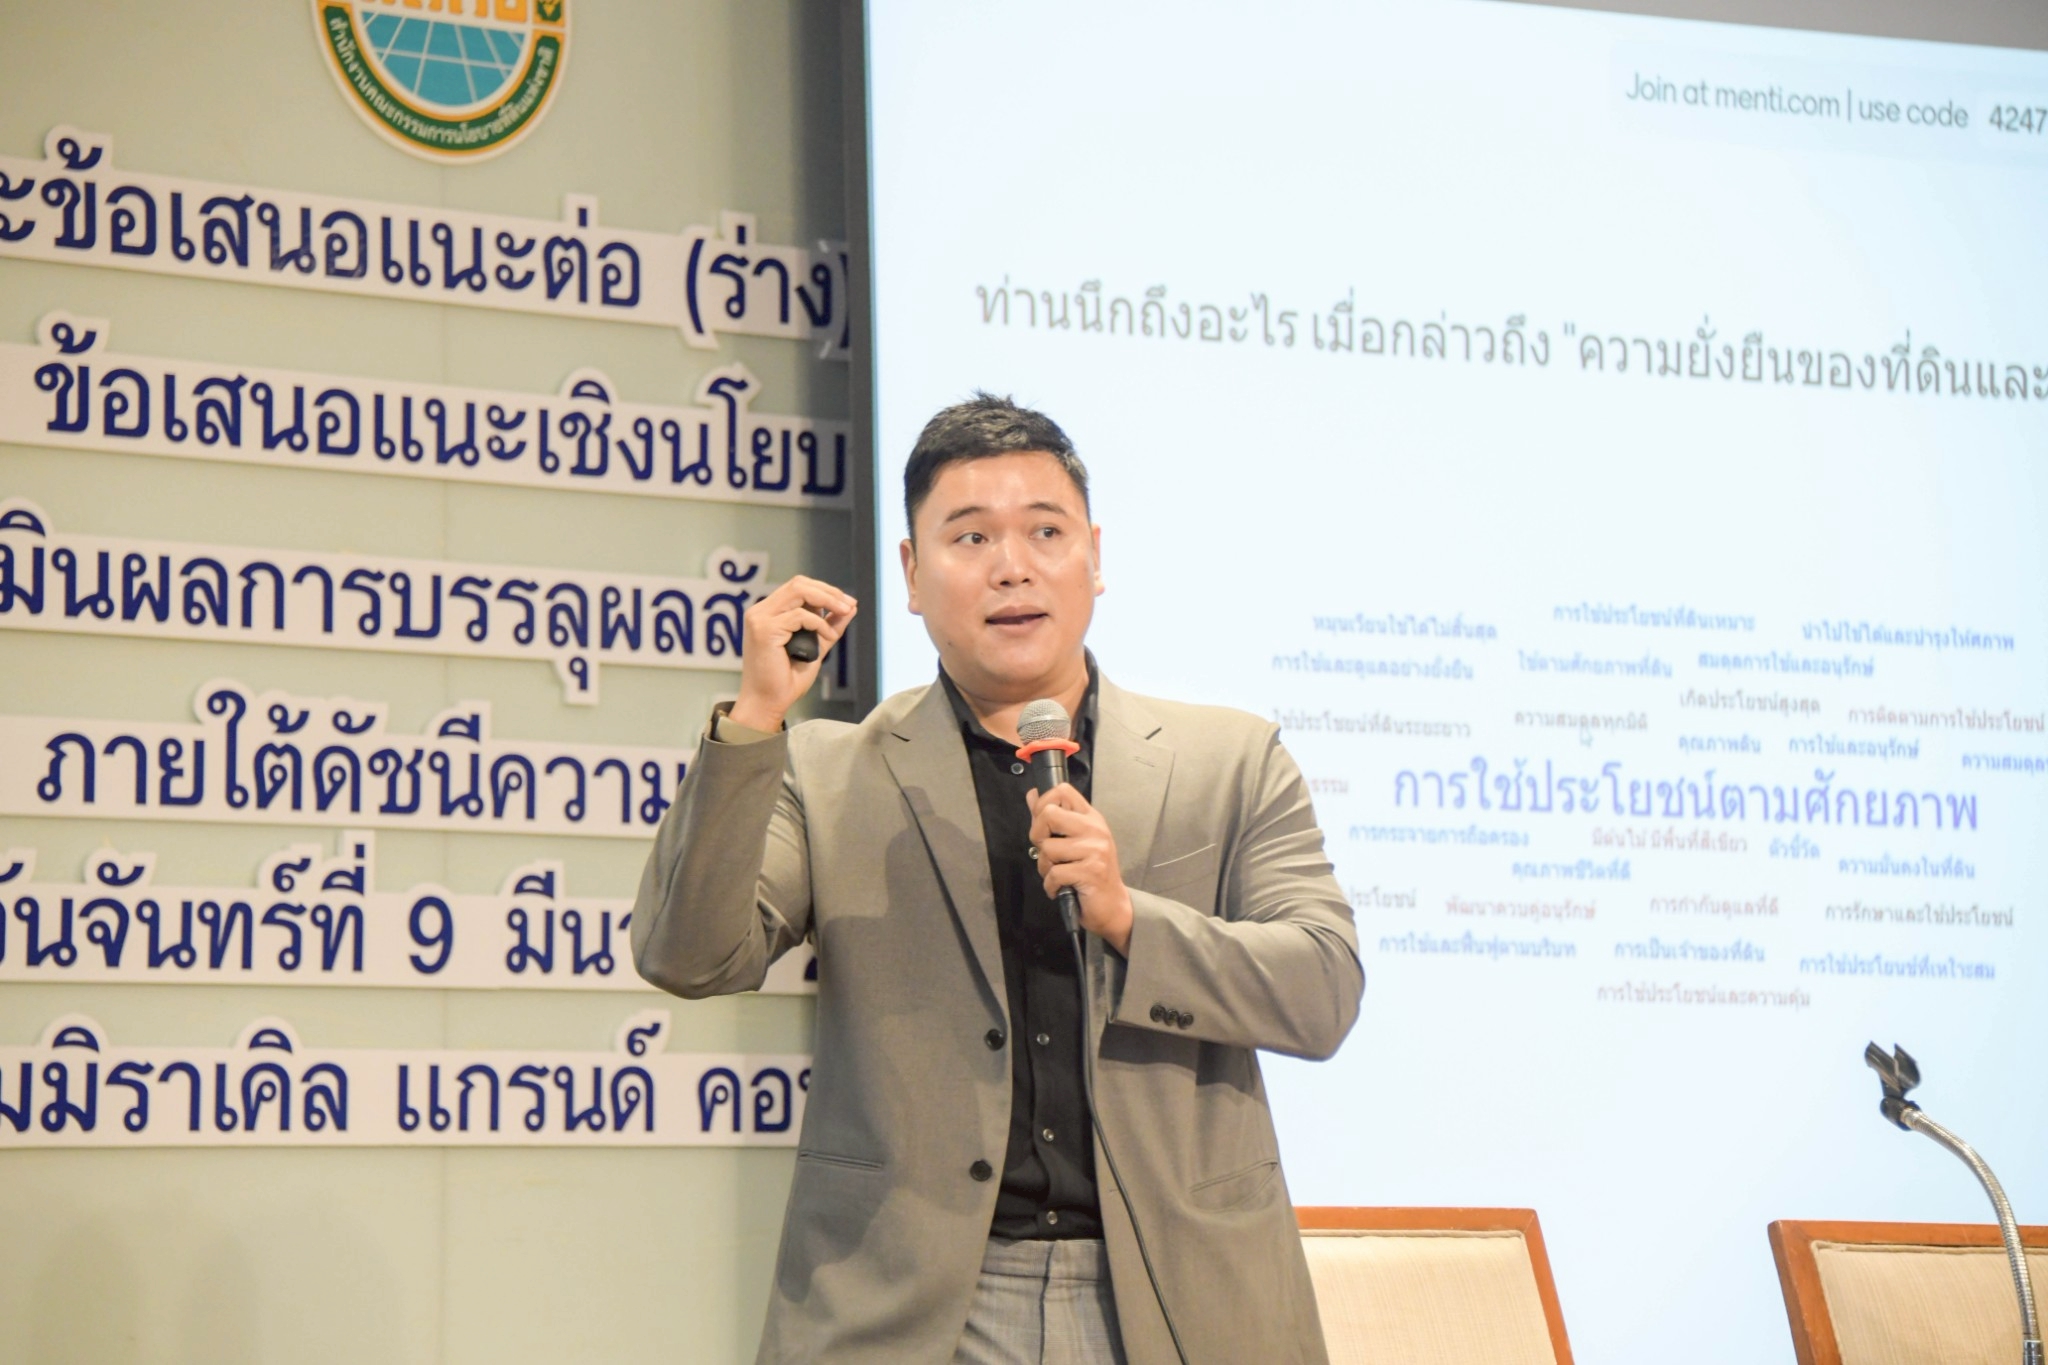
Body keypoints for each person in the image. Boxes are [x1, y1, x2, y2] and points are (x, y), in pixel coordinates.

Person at [631, 393, 1362, 1365]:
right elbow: (687, 955)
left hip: (1175, 1295)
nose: (1011, 566)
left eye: (1045, 532)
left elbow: (1322, 990)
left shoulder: (1228, 760)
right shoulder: (830, 771)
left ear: (1094, 557)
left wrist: (1129, 919)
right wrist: (757, 717)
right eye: (969, 537)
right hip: (914, 1307)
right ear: (911, 574)